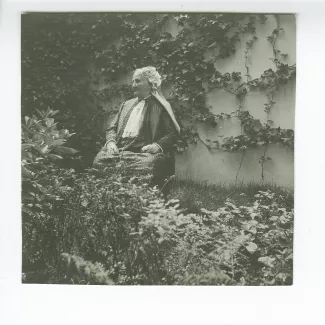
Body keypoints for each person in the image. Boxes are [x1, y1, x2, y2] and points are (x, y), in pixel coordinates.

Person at [93, 66, 180, 193]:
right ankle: (110, 196)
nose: (133, 85)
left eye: (138, 81)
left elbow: (172, 133)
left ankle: (140, 201)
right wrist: (111, 142)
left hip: (144, 153)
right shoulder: (126, 104)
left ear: (151, 84)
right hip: (121, 150)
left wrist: (157, 146)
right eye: (133, 81)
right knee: (99, 161)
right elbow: (112, 128)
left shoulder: (161, 106)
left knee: (147, 165)